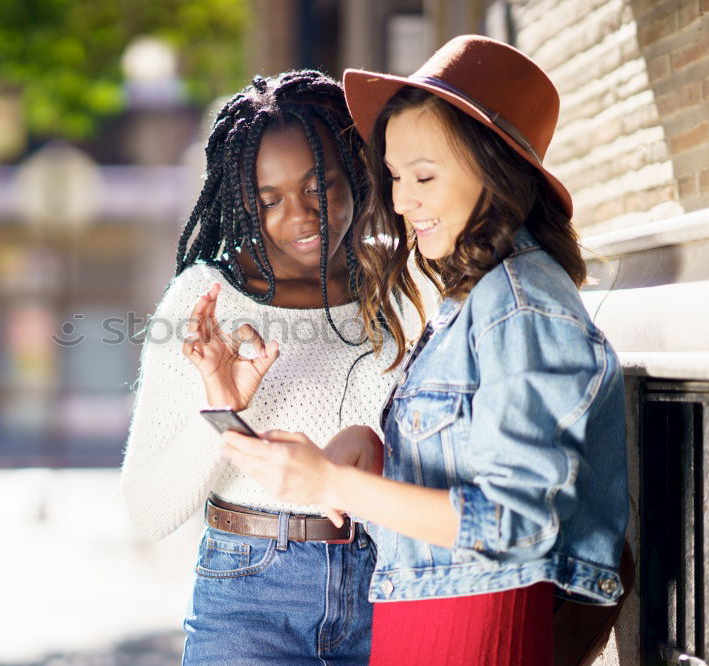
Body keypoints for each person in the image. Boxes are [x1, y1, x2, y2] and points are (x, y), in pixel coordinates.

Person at [222, 36, 629, 666]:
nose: (404, 200)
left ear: (494, 168)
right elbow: (463, 468)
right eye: (394, 177)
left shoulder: (521, 307)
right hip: (424, 630)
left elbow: (516, 523)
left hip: (478, 640)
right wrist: (373, 449)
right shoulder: (473, 300)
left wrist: (332, 482)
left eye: (424, 176)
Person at [120, 69, 421, 664]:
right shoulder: (207, 303)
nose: (302, 217)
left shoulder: (404, 285)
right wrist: (222, 408)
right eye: (270, 200)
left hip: (392, 584)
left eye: (319, 186)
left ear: (354, 172)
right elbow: (149, 510)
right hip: (251, 597)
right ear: (242, 201)